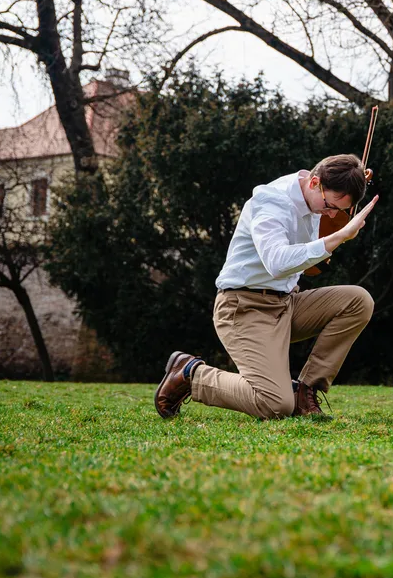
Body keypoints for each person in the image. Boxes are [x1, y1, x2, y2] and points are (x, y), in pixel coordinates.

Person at [154, 154, 378, 421]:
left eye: (339, 211)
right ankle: (191, 374)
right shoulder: (271, 202)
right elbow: (277, 262)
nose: (331, 214)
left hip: (286, 304)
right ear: (314, 182)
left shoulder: (317, 196)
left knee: (358, 301)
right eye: (330, 205)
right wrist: (339, 237)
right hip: (243, 308)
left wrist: (350, 185)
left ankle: (305, 392)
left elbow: (309, 265)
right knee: (274, 404)